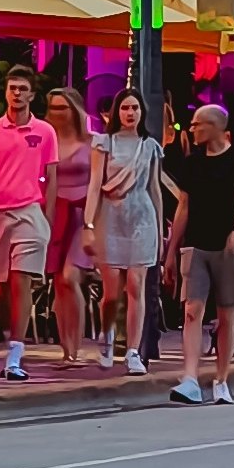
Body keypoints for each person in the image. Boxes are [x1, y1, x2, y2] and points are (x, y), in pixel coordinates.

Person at [161, 101, 234, 404]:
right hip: (197, 244)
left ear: (214, 127)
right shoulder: (193, 162)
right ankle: (190, 377)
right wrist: (172, 249)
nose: (192, 129)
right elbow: (184, 205)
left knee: (227, 313)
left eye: (198, 124)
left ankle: (221, 379)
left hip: (227, 247)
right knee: (192, 310)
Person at [0, 71, 57, 378]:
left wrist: (47, 220)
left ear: (32, 95)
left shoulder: (45, 131)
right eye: (13, 89)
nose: (17, 94)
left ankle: (15, 356)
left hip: (29, 212)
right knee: (0, 288)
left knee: (22, 282)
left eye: (23, 89)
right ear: (5, 93)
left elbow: (51, 178)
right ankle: (11, 336)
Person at [88, 87, 164, 374]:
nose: (130, 113)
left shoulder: (150, 146)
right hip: (111, 216)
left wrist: (159, 229)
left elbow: (154, 189)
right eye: (125, 108)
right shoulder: (104, 143)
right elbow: (95, 185)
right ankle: (107, 340)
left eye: (135, 108)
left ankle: (132, 350)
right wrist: (89, 224)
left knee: (136, 286)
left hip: (141, 218)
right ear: (116, 112)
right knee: (111, 292)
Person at [40, 83, 101, 361]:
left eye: (62, 107)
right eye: (52, 108)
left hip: (85, 215)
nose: (57, 113)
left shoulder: (94, 142)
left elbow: (102, 182)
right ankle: (66, 350)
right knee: (58, 282)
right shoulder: (45, 141)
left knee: (70, 276)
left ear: (75, 109)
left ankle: (76, 346)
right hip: (56, 212)